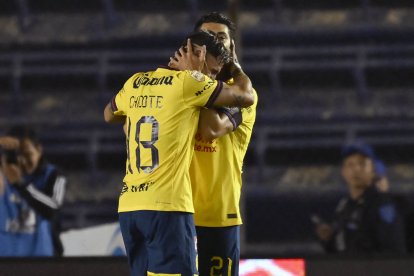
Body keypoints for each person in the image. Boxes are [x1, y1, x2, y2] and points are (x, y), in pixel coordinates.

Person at [103, 30, 254, 275]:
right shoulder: (188, 83)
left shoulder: (135, 81)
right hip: (167, 206)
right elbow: (246, 96)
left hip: (130, 206)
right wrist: (234, 68)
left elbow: (108, 114)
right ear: (197, 54)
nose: (213, 78)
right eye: (213, 72)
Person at [169, 12, 258, 276]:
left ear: (231, 48)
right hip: (176, 211)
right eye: (206, 37)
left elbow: (211, 129)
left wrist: (197, 79)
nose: (212, 43)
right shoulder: (175, 87)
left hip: (218, 215)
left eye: (220, 38)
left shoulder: (241, 93)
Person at [314, 142, 406, 254]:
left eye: (362, 164)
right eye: (350, 164)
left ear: (373, 170)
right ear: (344, 172)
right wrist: (328, 240)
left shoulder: (381, 203)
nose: (356, 169)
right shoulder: (344, 205)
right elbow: (343, 247)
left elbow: (393, 249)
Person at [0, 126, 67, 256]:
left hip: (41, 262)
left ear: (39, 150)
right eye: (16, 155)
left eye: (27, 154)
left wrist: (20, 184)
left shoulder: (53, 175)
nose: (22, 161)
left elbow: (53, 210)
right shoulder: (2, 175)